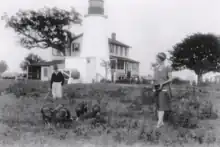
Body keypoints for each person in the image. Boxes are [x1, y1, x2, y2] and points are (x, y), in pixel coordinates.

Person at [151, 52, 172, 128]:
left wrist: (162, 83)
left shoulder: (167, 67)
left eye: (157, 58)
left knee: (162, 106)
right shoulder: (156, 68)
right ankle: (161, 121)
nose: (156, 59)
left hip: (164, 88)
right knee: (158, 105)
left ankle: (159, 123)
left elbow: (170, 78)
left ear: (161, 59)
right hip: (156, 88)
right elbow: (154, 78)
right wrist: (153, 85)